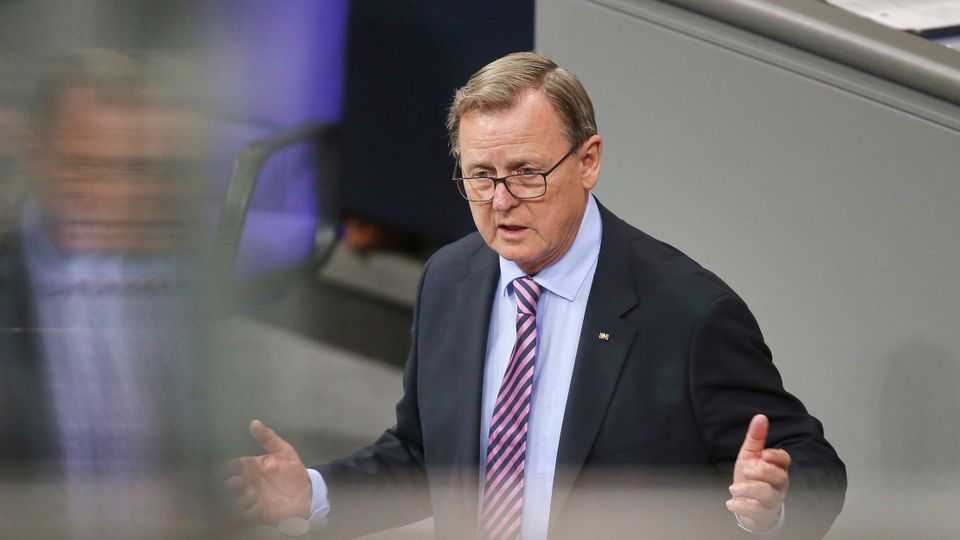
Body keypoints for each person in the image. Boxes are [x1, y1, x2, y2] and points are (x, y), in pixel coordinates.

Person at [230, 52, 846, 539]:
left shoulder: (689, 314)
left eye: (527, 173)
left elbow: (813, 462)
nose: (501, 201)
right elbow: (423, 454)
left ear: (588, 162)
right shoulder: (449, 279)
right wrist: (313, 493)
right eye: (481, 176)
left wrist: (771, 507)